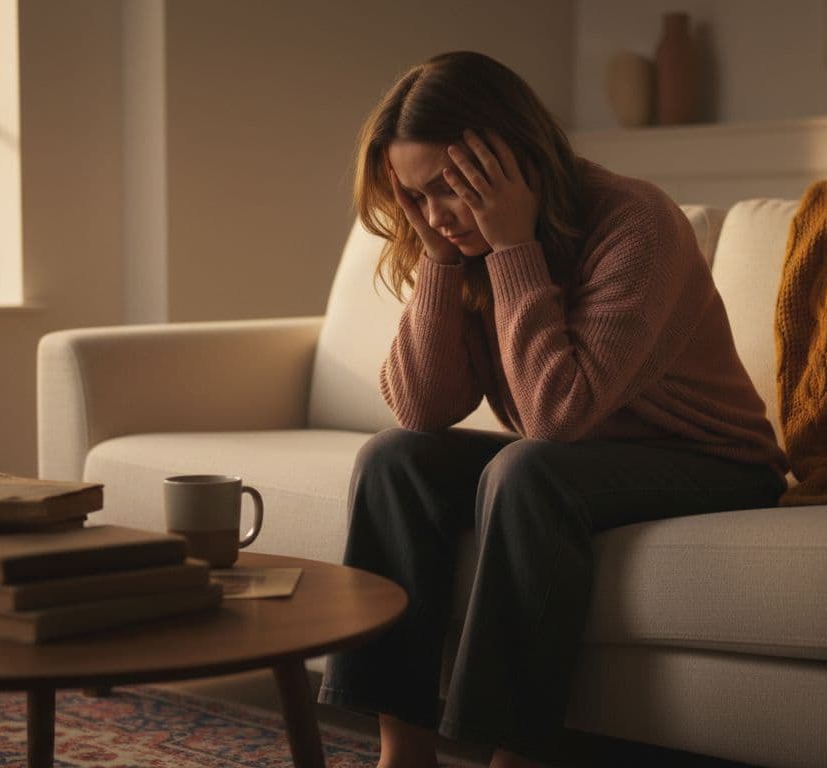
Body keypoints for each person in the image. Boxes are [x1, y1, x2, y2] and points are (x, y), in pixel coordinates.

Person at [317, 51, 789, 768]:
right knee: (393, 457)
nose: (439, 214)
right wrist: (442, 259)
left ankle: (515, 756)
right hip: (581, 455)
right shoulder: (452, 240)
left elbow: (557, 417)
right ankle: (403, 755)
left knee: (528, 469)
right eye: (417, 197)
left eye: (453, 187)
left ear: (516, 156)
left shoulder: (637, 223)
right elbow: (421, 406)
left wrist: (513, 247)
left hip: (711, 461)